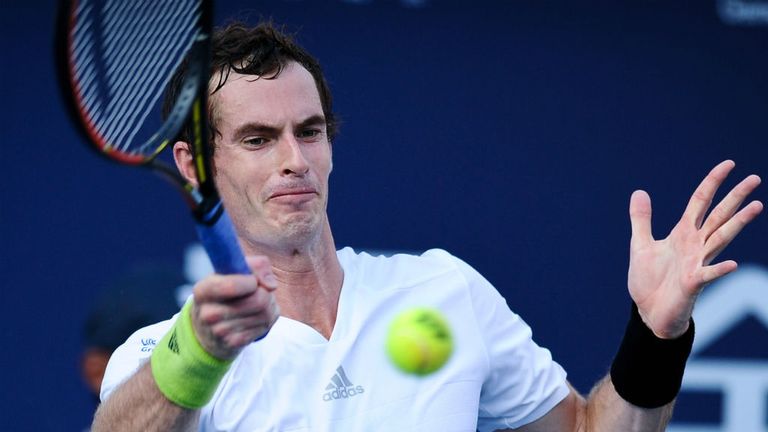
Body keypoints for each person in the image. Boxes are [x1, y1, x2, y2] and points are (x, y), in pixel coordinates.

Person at [92, 22, 764, 431]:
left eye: (310, 131)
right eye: (259, 139)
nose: (295, 161)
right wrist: (201, 356)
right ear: (194, 162)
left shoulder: (443, 289)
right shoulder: (162, 359)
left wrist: (654, 332)